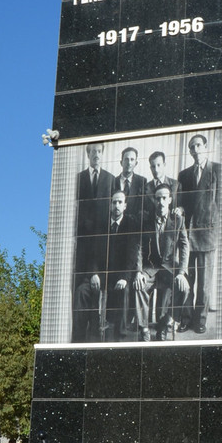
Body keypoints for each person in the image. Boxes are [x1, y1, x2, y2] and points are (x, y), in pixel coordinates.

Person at [73, 191, 142, 341]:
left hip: (119, 276)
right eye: (114, 202)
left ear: (125, 206)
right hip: (101, 275)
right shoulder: (101, 225)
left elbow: (132, 256)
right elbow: (92, 254)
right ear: (110, 205)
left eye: (120, 202)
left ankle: (120, 338)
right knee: (81, 291)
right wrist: (94, 274)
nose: (116, 205)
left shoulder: (131, 224)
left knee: (123, 292)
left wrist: (124, 278)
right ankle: (78, 339)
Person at [134, 184, 190, 340]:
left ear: (170, 200)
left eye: (164, 198)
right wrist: (138, 272)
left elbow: (185, 248)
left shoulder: (178, 220)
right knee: (139, 285)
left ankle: (167, 322)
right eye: (158, 198)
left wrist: (181, 273)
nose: (161, 202)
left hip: (169, 268)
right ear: (154, 200)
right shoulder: (146, 220)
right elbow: (138, 247)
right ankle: (144, 329)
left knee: (184, 288)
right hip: (150, 267)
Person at [177, 134, 218, 334]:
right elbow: (181, 203)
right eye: (191, 147)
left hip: (207, 235)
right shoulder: (184, 175)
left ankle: (200, 320)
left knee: (204, 284)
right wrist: (179, 210)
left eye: (198, 145)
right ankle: (185, 318)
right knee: (186, 280)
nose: (195, 150)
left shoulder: (217, 170)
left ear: (206, 147)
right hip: (186, 236)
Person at [73, 143, 114, 341]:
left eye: (99, 151)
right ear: (87, 154)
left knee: (99, 299)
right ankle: (80, 339)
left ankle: (96, 338)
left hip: (103, 243)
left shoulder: (110, 179)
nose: (96, 155)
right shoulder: (78, 179)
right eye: (93, 152)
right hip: (83, 247)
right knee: (82, 294)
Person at [113, 147, 148, 232]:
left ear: (136, 163)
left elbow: (143, 206)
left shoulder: (142, 182)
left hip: (134, 228)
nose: (129, 163)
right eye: (126, 159)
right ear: (121, 162)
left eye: (132, 159)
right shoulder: (113, 181)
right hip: (116, 227)